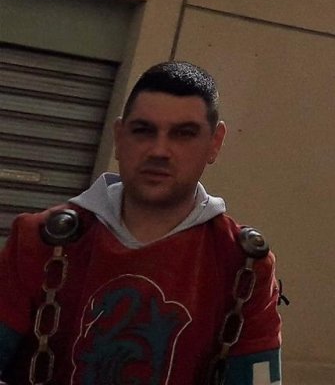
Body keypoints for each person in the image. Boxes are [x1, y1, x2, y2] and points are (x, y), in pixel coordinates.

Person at [0, 61, 282, 385]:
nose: (159, 150)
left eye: (184, 134)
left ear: (214, 142)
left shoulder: (243, 265)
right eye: (143, 130)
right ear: (120, 137)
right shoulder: (40, 240)